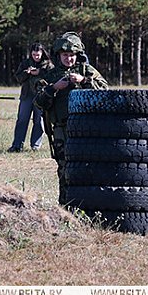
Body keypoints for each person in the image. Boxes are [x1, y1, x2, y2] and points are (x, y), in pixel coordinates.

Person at [34, 32, 109, 205]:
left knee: (88, 167)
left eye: (72, 55)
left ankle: (89, 205)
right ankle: (66, 206)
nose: (69, 59)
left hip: (87, 129)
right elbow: (38, 102)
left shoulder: (87, 71)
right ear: (58, 56)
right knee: (65, 169)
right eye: (65, 55)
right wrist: (54, 88)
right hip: (62, 129)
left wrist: (84, 81)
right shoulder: (50, 76)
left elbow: (105, 91)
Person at [8, 42, 54, 152]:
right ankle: (17, 145)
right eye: (34, 55)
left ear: (42, 53)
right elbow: (18, 77)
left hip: (41, 96)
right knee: (22, 120)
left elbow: (52, 77)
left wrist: (40, 72)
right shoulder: (25, 63)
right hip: (26, 96)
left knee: (39, 121)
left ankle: (35, 146)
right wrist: (27, 73)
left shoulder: (48, 65)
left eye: (38, 55)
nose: (36, 57)